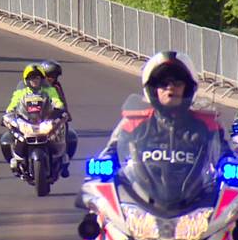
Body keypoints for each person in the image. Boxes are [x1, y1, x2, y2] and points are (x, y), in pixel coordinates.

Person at [98, 51, 230, 168]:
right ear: (153, 89)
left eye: (178, 83)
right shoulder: (133, 123)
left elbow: (225, 152)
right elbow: (112, 151)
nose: (170, 88)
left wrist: (229, 162)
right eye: (163, 83)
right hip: (141, 192)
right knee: (91, 191)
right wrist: (106, 161)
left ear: (188, 88)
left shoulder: (208, 125)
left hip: (200, 193)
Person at [0, 64, 66, 172]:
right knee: (6, 140)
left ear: (41, 79)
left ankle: (62, 159)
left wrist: (59, 109)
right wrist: (8, 114)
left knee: (65, 134)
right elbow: (12, 105)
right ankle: (16, 162)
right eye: (31, 78)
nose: (34, 80)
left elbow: (57, 102)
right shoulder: (21, 93)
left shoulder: (49, 91)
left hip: (44, 121)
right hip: (27, 122)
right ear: (27, 80)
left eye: (37, 77)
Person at [40, 60, 78, 177]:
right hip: (37, 118)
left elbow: (62, 101)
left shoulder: (56, 87)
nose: (50, 78)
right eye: (48, 75)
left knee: (67, 135)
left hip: (53, 117)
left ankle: (65, 160)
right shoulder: (34, 86)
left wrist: (65, 113)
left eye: (53, 76)